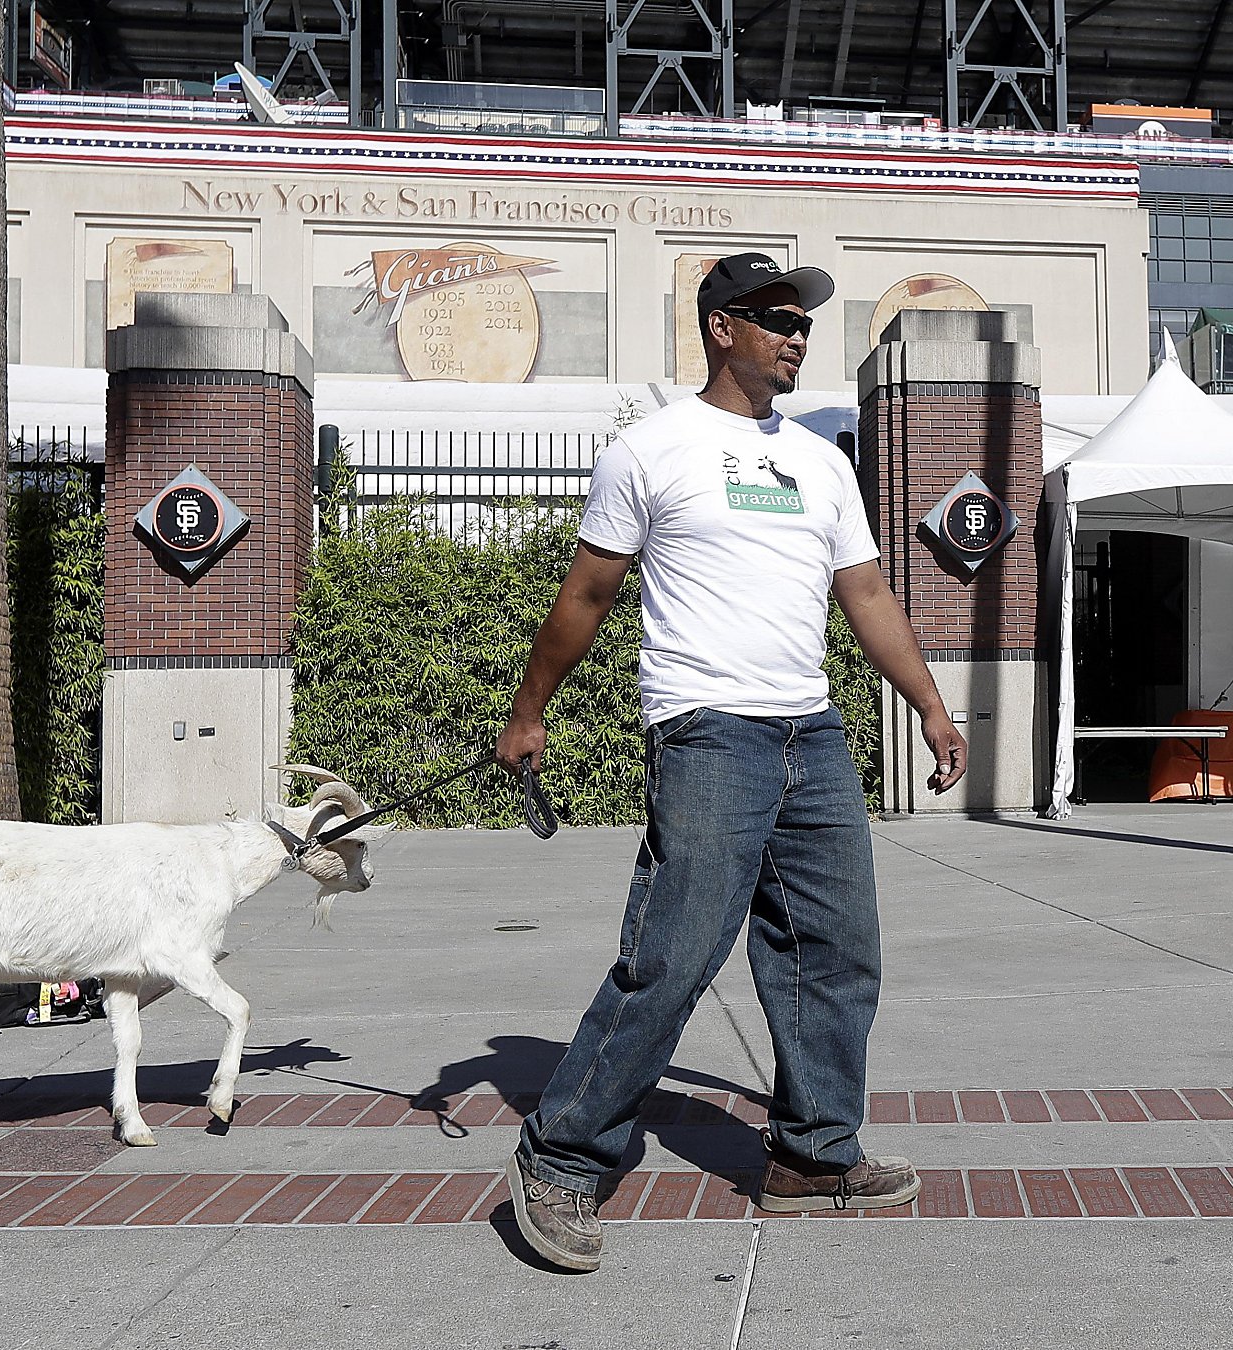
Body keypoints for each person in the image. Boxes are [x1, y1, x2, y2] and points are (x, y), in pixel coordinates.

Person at [493, 252, 968, 1272]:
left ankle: (811, 1157)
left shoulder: (821, 461)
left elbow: (870, 598)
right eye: (774, 318)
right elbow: (586, 596)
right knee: (671, 956)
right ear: (720, 327)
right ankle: (561, 1160)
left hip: (813, 736)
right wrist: (528, 710)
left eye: (800, 322)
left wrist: (927, 704)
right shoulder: (649, 450)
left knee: (834, 956)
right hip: (707, 731)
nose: (796, 336)